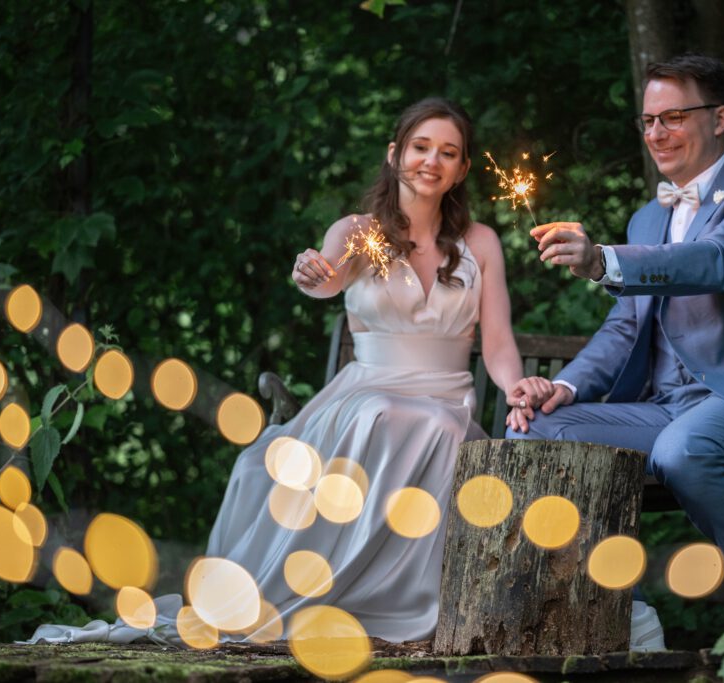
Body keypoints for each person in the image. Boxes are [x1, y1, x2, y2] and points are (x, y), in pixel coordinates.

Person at [27, 97, 551, 645]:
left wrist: (515, 386)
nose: (431, 162)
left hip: (447, 399)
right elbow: (327, 277)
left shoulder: (481, 243)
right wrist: (313, 274)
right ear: (395, 153)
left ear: (463, 169)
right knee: (378, 413)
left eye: (448, 153)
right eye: (421, 147)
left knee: (437, 426)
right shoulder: (357, 230)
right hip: (368, 391)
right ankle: (328, 593)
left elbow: (496, 342)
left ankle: (406, 599)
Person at [505, 54, 724, 649]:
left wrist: (605, 260)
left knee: (685, 450)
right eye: (648, 120)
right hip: (666, 408)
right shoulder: (646, 218)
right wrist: (566, 387)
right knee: (533, 436)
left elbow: (716, 262)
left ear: (721, 118)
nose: (656, 132)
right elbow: (626, 328)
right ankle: (626, 609)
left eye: (673, 116)